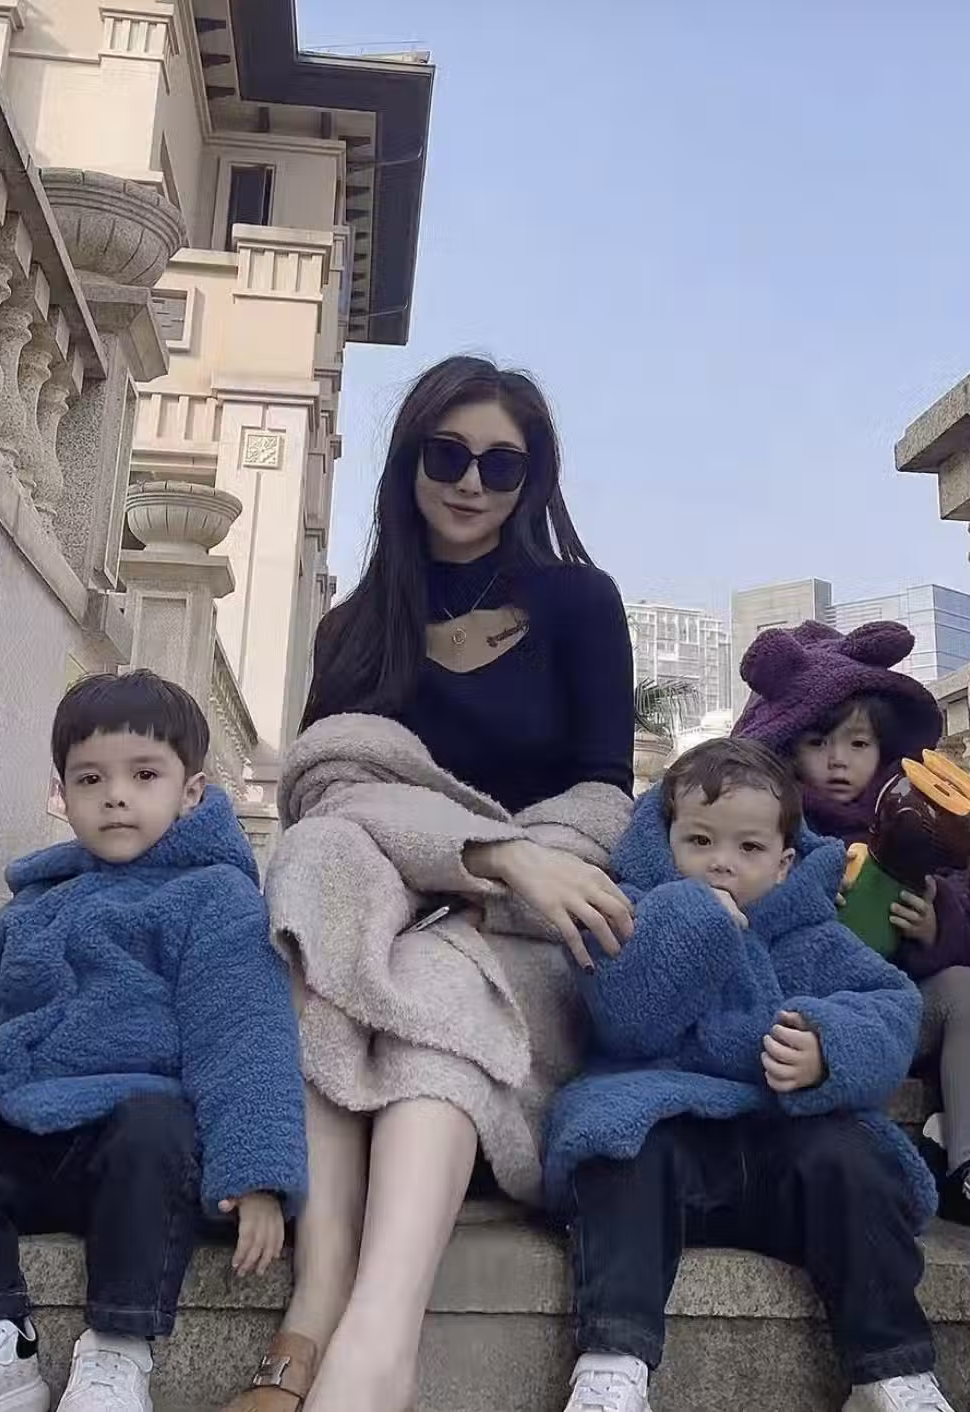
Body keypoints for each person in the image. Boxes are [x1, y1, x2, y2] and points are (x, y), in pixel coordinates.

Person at [224, 355, 637, 1412]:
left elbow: (604, 798)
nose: (471, 482)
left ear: (533, 479)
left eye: (502, 464)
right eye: (447, 454)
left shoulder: (579, 603)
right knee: (316, 864)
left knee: (444, 978)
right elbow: (329, 788)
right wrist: (488, 852)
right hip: (398, 906)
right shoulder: (353, 626)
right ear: (409, 459)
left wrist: (513, 874)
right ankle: (315, 1296)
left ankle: (374, 1349)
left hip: (521, 933)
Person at [0, 671, 307, 1412]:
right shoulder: (33, 904)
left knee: (155, 1123)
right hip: (26, 1142)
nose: (116, 795)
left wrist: (258, 1178)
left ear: (191, 791)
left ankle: (118, 1354)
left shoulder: (214, 897)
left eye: (144, 775)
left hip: (141, 1161)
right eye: (91, 779)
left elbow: (246, 1039)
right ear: (61, 793)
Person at [545, 738, 955, 1412]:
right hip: (670, 1133)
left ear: (785, 862)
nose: (721, 863)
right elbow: (629, 1019)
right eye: (699, 840)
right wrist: (698, 920)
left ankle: (891, 1370)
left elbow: (891, 1007)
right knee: (618, 1145)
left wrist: (828, 1048)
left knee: (853, 1159)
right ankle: (613, 1361)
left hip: (782, 1149)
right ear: (666, 840)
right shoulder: (625, 912)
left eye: (749, 848)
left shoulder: (815, 934)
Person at [733, 618, 970, 1244]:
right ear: (786, 745)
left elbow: (964, 928)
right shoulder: (760, 822)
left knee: (967, 990)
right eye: (818, 741)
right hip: (784, 1022)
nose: (838, 760)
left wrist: (934, 928)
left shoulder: (908, 823)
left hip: (879, 1018)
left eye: (857, 744)